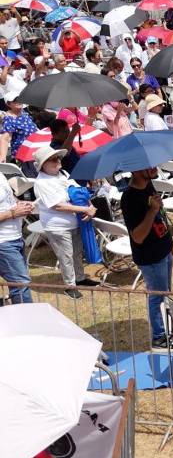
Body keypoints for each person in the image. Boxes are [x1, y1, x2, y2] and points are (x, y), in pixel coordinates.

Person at [33, 147, 98, 299]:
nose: (58, 161)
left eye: (58, 158)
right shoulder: (42, 183)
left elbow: (78, 190)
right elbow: (58, 205)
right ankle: (70, 286)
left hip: (74, 221)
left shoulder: (63, 173)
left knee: (76, 252)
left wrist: (89, 205)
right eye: (53, 159)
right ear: (43, 165)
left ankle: (80, 278)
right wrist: (84, 209)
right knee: (66, 256)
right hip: (57, 226)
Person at [121, 164, 173, 348]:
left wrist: (170, 244)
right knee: (157, 295)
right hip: (151, 257)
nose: (153, 167)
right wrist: (152, 210)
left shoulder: (149, 185)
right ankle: (159, 336)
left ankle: (168, 327)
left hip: (164, 250)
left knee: (165, 292)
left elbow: (160, 218)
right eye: (147, 165)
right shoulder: (129, 198)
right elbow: (138, 236)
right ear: (135, 170)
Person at [0, 171, 33, 303]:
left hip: (15, 238)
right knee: (21, 284)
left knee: (19, 283)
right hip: (3, 242)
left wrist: (19, 203)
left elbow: (9, 198)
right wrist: (13, 213)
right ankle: (26, 321)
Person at [0, 93, 36, 163]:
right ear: (8, 104)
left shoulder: (24, 113)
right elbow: (5, 139)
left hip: (33, 151)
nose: (18, 101)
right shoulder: (9, 118)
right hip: (23, 155)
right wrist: (2, 156)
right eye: (15, 100)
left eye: (19, 99)